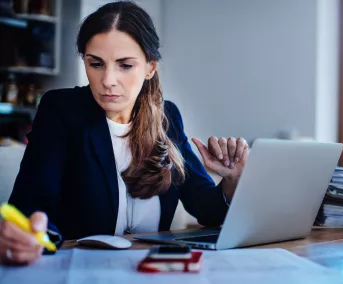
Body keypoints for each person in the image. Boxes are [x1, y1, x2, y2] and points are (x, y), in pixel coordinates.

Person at [0, 1, 248, 265]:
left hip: (150, 270)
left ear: (150, 67)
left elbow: (206, 210)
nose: (108, 80)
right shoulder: (61, 110)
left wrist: (232, 182)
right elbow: (32, 205)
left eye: (125, 65)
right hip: (79, 269)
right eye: (96, 64)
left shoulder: (168, 118)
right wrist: (30, 234)